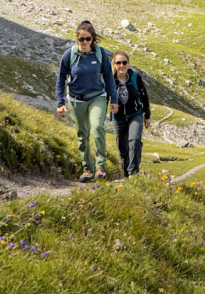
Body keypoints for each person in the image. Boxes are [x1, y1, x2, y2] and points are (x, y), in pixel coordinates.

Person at [55, 21, 117, 181]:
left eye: (87, 39)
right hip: (76, 100)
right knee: (82, 134)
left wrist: (114, 100)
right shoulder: (69, 55)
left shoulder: (100, 53)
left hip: (97, 97)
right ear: (76, 38)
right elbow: (61, 79)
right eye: (81, 39)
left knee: (97, 127)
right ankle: (87, 170)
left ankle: (100, 167)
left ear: (92, 39)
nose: (84, 42)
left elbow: (109, 77)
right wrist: (60, 103)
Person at [111, 50, 151, 178]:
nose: (121, 65)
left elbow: (144, 96)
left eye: (124, 62)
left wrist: (147, 116)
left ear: (128, 64)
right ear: (114, 64)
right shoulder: (110, 80)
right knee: (122, 146)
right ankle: (126, 174)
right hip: (118, 117)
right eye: (118, 62)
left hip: (135, 114)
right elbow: (104, 98)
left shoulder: (135, 77)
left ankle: (133, 172)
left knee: (134, 140)